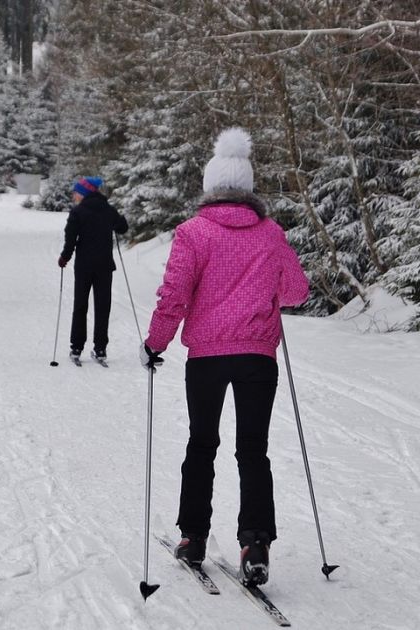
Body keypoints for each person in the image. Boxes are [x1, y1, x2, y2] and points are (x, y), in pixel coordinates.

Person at [140, 128, 309, 586]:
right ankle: (255, 543)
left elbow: (174, 294)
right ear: (249, 188)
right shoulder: (271, 233)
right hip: (257, 356)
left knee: (202, 444)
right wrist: (267, 288)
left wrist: (155, 343)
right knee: (253, 450)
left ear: (210, 187)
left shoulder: (193, 232)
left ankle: (194, 536)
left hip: (208, 358)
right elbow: (296, 290)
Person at [57, 176, 129, 363]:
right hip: (105, 266)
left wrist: (64, 258)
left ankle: (76, 347)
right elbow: (123, 228)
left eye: (76, 192)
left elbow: (70, 239)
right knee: (102, 306)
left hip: (84, 267)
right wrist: (118, 218)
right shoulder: (108, 209)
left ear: (84, 193)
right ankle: (100, 349)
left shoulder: (78, 212)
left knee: (80, 305)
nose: (74, 196)